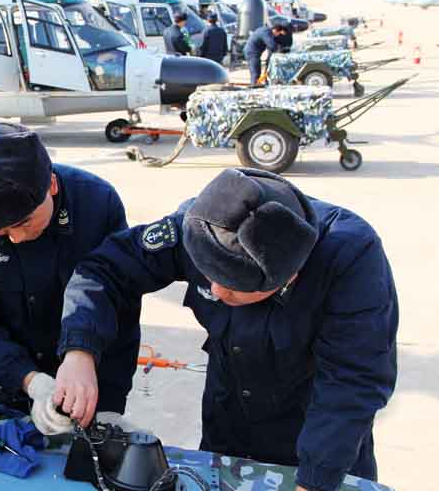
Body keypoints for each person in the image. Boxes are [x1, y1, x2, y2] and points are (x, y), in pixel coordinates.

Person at [54, 168, 398, 491]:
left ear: (288, 277)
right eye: (207, 276)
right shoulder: (199, 226)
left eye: (232, 287)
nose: (215, 292)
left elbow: (353, 382)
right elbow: (104, 270)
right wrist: (79, 351)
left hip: (319, 438)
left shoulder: (351, 257)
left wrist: (315, 479)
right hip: (228, 424)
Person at [0, 122, 140, 435]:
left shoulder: (97, 205)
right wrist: (31, 380)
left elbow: (117, 305)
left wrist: (107, 401)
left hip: (78, 386)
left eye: (24, 222)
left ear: (51, 185)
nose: (14, 238)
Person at [244, 20, 290, 85]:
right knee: (255, 71)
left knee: (257, 69)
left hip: (253, 51)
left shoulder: (266, 30)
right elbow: (271, 45)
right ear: (275, 30)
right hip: (251, 52)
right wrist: (280, 50)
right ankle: (254, 85)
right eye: (278, 34)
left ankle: (256, 83)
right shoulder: (266, 32)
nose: (277, 35)